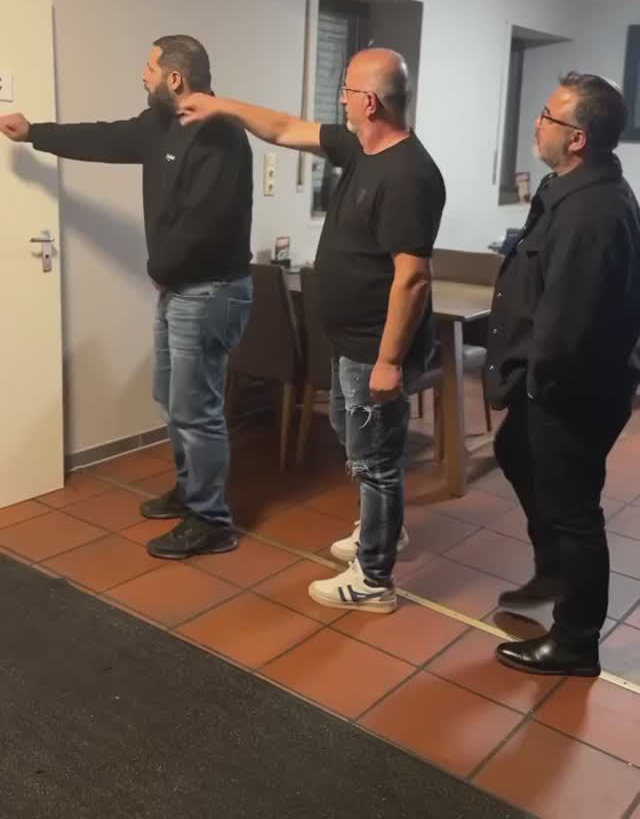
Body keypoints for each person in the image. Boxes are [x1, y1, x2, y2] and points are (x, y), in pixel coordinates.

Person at [180, 47, 446, 614]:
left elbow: (413, 279)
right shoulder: (359, 148)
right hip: (348, 342)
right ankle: (382, 526)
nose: (340, 98)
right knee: (358, 446)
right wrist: (220, 107)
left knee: (376, 459)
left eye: (346, 89)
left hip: (375, 348)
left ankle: (373, 579)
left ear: (370, 102)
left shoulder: (409, 175)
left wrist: (389, 362)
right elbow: (283, 127)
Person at [0, 35, 253, 561]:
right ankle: (190, 490)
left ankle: (212, 521)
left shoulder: (221, 135)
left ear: (175, 78)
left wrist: (160, 270)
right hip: (180, 286)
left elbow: (206, 223)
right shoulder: (158, 123)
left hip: (210, 291)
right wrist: (34, 133)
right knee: (170, 397)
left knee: (197, 408)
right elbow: (105, 138)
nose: (143, 75)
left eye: (149, 67)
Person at [487, 72, 640, 677]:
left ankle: (576, 642)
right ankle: (553, 568)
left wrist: (537, 383)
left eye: (548, 116)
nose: (537, 123)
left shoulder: (593, 211)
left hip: (570, 391)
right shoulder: (567, 187)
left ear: (577, 138)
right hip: (554, 385)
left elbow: (569, 323)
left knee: (575, 509)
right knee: (514, 450)